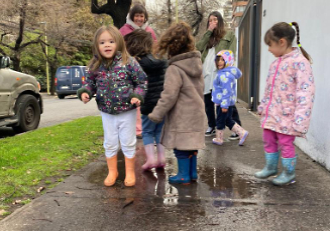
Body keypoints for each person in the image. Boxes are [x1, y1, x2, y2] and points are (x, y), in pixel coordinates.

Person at [77, 25, 147, 187]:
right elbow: (89, 82)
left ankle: (129, 172)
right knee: (110, 142)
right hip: (106, 111)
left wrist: (137, 95)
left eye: (111, 41)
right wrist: (85, 92)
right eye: (102, 42)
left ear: (119, 43)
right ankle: (112, 171)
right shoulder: (95, 64)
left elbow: (141, 81)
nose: (107, 45)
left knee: (128, 141)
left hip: (127, 111)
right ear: (96, 46)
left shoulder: (128, 62)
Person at [254, 22, 315, 186]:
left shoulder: (300, 63)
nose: (268, 49)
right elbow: (269, 89)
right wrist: (262, 106)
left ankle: (289, 173)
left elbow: (306, 92)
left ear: (282, 42)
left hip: (288, 116)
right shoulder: (276, 63)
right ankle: (271, 167)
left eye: (270, 45)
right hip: (272, 114)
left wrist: (301, 119)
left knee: (285, 143)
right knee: (268, 138)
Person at [148, 22, 205, 185]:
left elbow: (169, 95)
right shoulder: (196, 65)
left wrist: (157, 114)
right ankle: (192, 172)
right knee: (191, 146)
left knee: (181, 148)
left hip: (183, 116)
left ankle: (183, 175)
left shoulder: (175, 68)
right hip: (197, 112)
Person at [124, 29, 168, 170]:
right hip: (162, 103)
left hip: (148, 103)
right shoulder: (160, 59)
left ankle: (150, 159)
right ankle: (161, 158)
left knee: (148, 132)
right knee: (159, 131)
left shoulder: (139, 64)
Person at [196, 11, 242, 139]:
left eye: (215, 20)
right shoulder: (208, 37)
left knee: (227, 100)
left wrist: (228, 72)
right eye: (210, 20)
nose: (212, 22)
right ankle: (212, 125)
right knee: (208, 101)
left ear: (220, 21)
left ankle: (236, 127)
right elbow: (198, 47)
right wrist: (208, 32)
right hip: (207, 72)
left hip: (220, 73)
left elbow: (231, 53)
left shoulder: (229, 35)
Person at [120, 3, 157, 139]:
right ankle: (134, 129)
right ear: (132, 16)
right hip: (129, 68)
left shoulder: (150, 31)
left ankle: (144, 128)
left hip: (146, 68)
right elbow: (119, 47)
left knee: (145, 98)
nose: (139, 19)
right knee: (132, 98)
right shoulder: (124, 30)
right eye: (137, 16)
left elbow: (155, 48)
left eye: (141, 16)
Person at [211, 50, 249, 146]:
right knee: (228, 120)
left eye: (223, 60)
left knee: (220, 120)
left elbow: (227, 91)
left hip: (223, 104)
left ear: (228, 61)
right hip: (225, 103)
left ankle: (219, 139)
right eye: (218, 60)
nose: (219, 62)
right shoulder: (224, 73)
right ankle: (241, 132)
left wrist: (224, 105)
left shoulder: (225, 75)